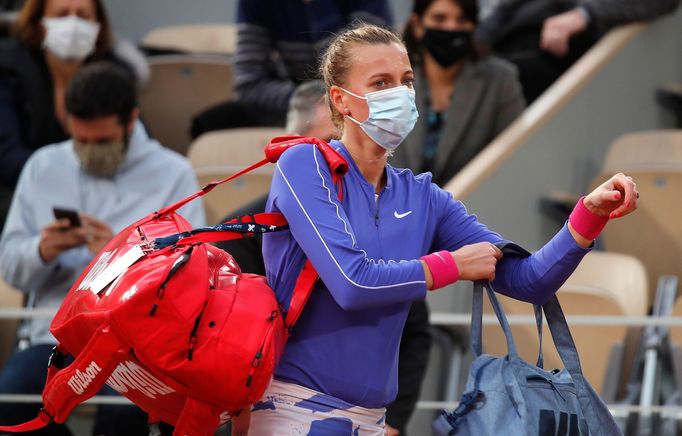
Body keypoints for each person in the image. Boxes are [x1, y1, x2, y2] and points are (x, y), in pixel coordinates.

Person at [230, 24, 638, 434]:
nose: (401, 94)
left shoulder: (424, 195)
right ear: (341, 100)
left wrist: (588, 215)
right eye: (381, 82)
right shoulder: (303, 165)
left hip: (372, 420)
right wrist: (451, 265)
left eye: (407, 81)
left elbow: (530, 281)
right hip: (292, 409)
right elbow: (354, 283)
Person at [0, 62, 205, 436]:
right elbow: (10, 267)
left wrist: (119, 256)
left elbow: (189, 274)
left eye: (103, 142)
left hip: (135, 345)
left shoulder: (173, 172)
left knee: (128, 416)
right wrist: (42, 250)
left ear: (132, 122)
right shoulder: (43, 166)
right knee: (10, 400)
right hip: (53, 336)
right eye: (82, 142)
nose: (91, 152)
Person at [215, 80, 429, 435]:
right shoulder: (240, 234)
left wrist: (395, 420)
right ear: (292, 150)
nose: (342, 157)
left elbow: (415, 329)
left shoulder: (388, 224)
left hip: (368, 419)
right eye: (330, 143)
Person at [0, 0, 148, 231]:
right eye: (61, 15)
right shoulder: (8, 69)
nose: (73, 24)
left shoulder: (116, 72)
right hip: (24, 194)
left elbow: (140, 144)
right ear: (39, 23)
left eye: (83, 15)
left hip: (105, 203)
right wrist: (64, 177)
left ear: (98, 24)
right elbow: (6, 157)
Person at [190, 0, 392, 138]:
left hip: (358, 98)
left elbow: (361, 68)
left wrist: (316, 5)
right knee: (208, 123)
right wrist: (305, 102)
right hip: (297, 97)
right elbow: (248, 85)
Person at [390, 0, 525, 187]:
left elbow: (514, 154)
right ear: (417, 25)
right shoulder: (390, 76)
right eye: (440, 18)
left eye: (462, 20)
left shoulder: (500, 79)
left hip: (468, 207)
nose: (451, 27)